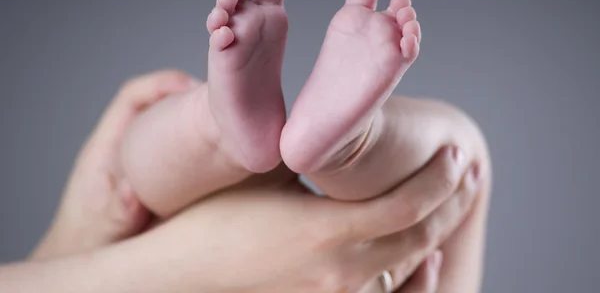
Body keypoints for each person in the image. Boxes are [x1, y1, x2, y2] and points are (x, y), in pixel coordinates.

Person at [18, 69, 490, 292]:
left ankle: (218, 127)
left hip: (148, 222)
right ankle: (352, 141)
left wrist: (76, 243)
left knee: (143, 175)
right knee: (463, 155)